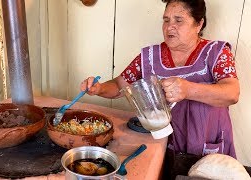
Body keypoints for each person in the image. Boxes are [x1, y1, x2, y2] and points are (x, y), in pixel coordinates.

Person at [80, 0, 240, 160]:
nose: (169, 27)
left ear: (199, 24)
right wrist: (99, 88)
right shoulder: (150, 56)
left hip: (208, 148)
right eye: (166, 20)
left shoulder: (216, 52)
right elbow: (119, 85)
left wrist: (187, 89)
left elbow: (232, 93)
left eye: (178, 20)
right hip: (167, 145)